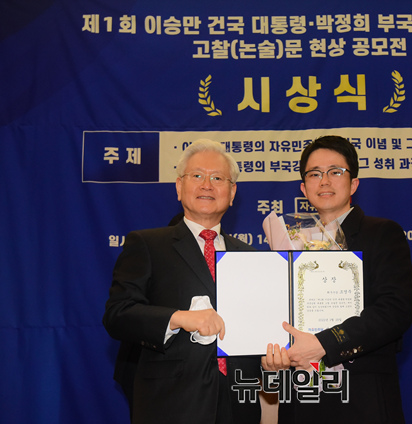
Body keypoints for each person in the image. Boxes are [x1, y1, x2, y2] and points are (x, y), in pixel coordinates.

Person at [103, 139, 288, 424]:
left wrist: (270, 363)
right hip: (171, 404)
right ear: (179, 187)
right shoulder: (148, 244)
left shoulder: (251, 256)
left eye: (218, 178)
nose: (207, 185)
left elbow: (258, 332)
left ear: (232, 192)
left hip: (239, 404)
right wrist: (178, 318)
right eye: (197, 175)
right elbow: (118, 315)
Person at [279, 135, 412, 424]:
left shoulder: (382, 233)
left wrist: (325, 343)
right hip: (302, 390)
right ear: (304, 188)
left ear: (353, 183)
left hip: (362, 393)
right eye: (314, 174)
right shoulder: (290, 243)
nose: (324, 181)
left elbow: (395, 311)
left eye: (335, 172)